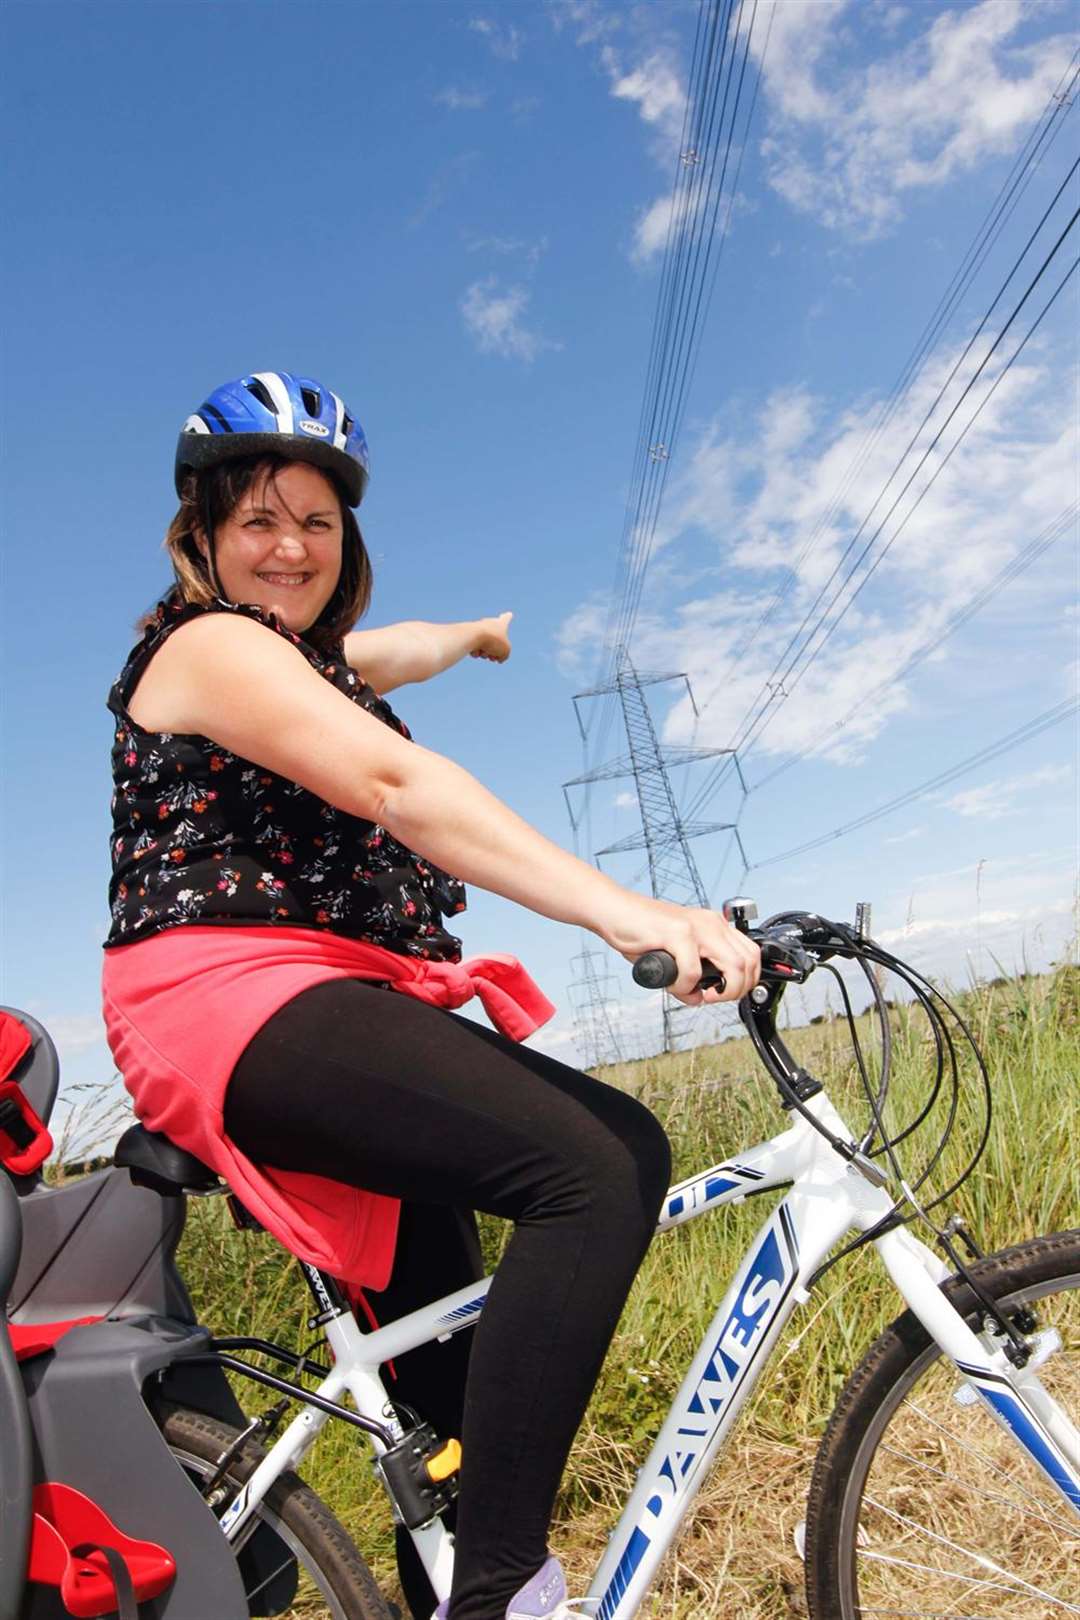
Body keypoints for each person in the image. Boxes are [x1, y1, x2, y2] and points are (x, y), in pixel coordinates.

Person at [101, 370, 761, 1620]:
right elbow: (397, 788)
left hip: (337, 1002)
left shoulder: (311, 656)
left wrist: (475, 635)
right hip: (230, 997)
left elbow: (379, 655)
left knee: (453, 1412)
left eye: (319, 522)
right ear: (200, 538)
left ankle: (466, 1569)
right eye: (259, 520)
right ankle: (506, 1600)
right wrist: (637, 913)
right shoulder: (210, 647)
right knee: (604, 1161)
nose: (291, 545)